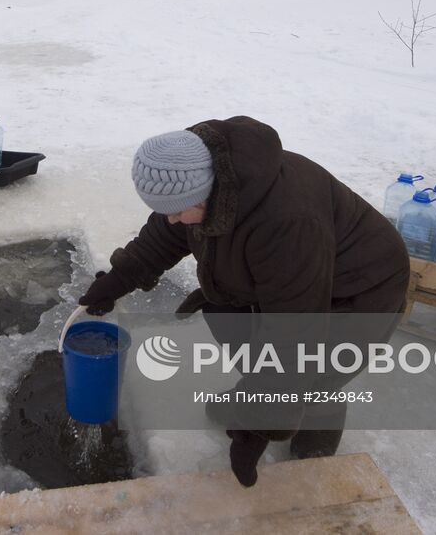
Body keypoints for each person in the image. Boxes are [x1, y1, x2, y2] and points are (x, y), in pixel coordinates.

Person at [77, 116, 409, 487]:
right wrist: (119, 279)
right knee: (235, 325)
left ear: (207, 194)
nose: (171, 220)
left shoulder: (287, 222)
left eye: (177, 210)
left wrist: (258, 427)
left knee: (319, 373)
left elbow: (295, 334)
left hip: (360, 287)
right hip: (295, 280)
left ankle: (310, 460)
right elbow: (165, 233)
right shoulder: (205, 181)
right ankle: (253, 398)